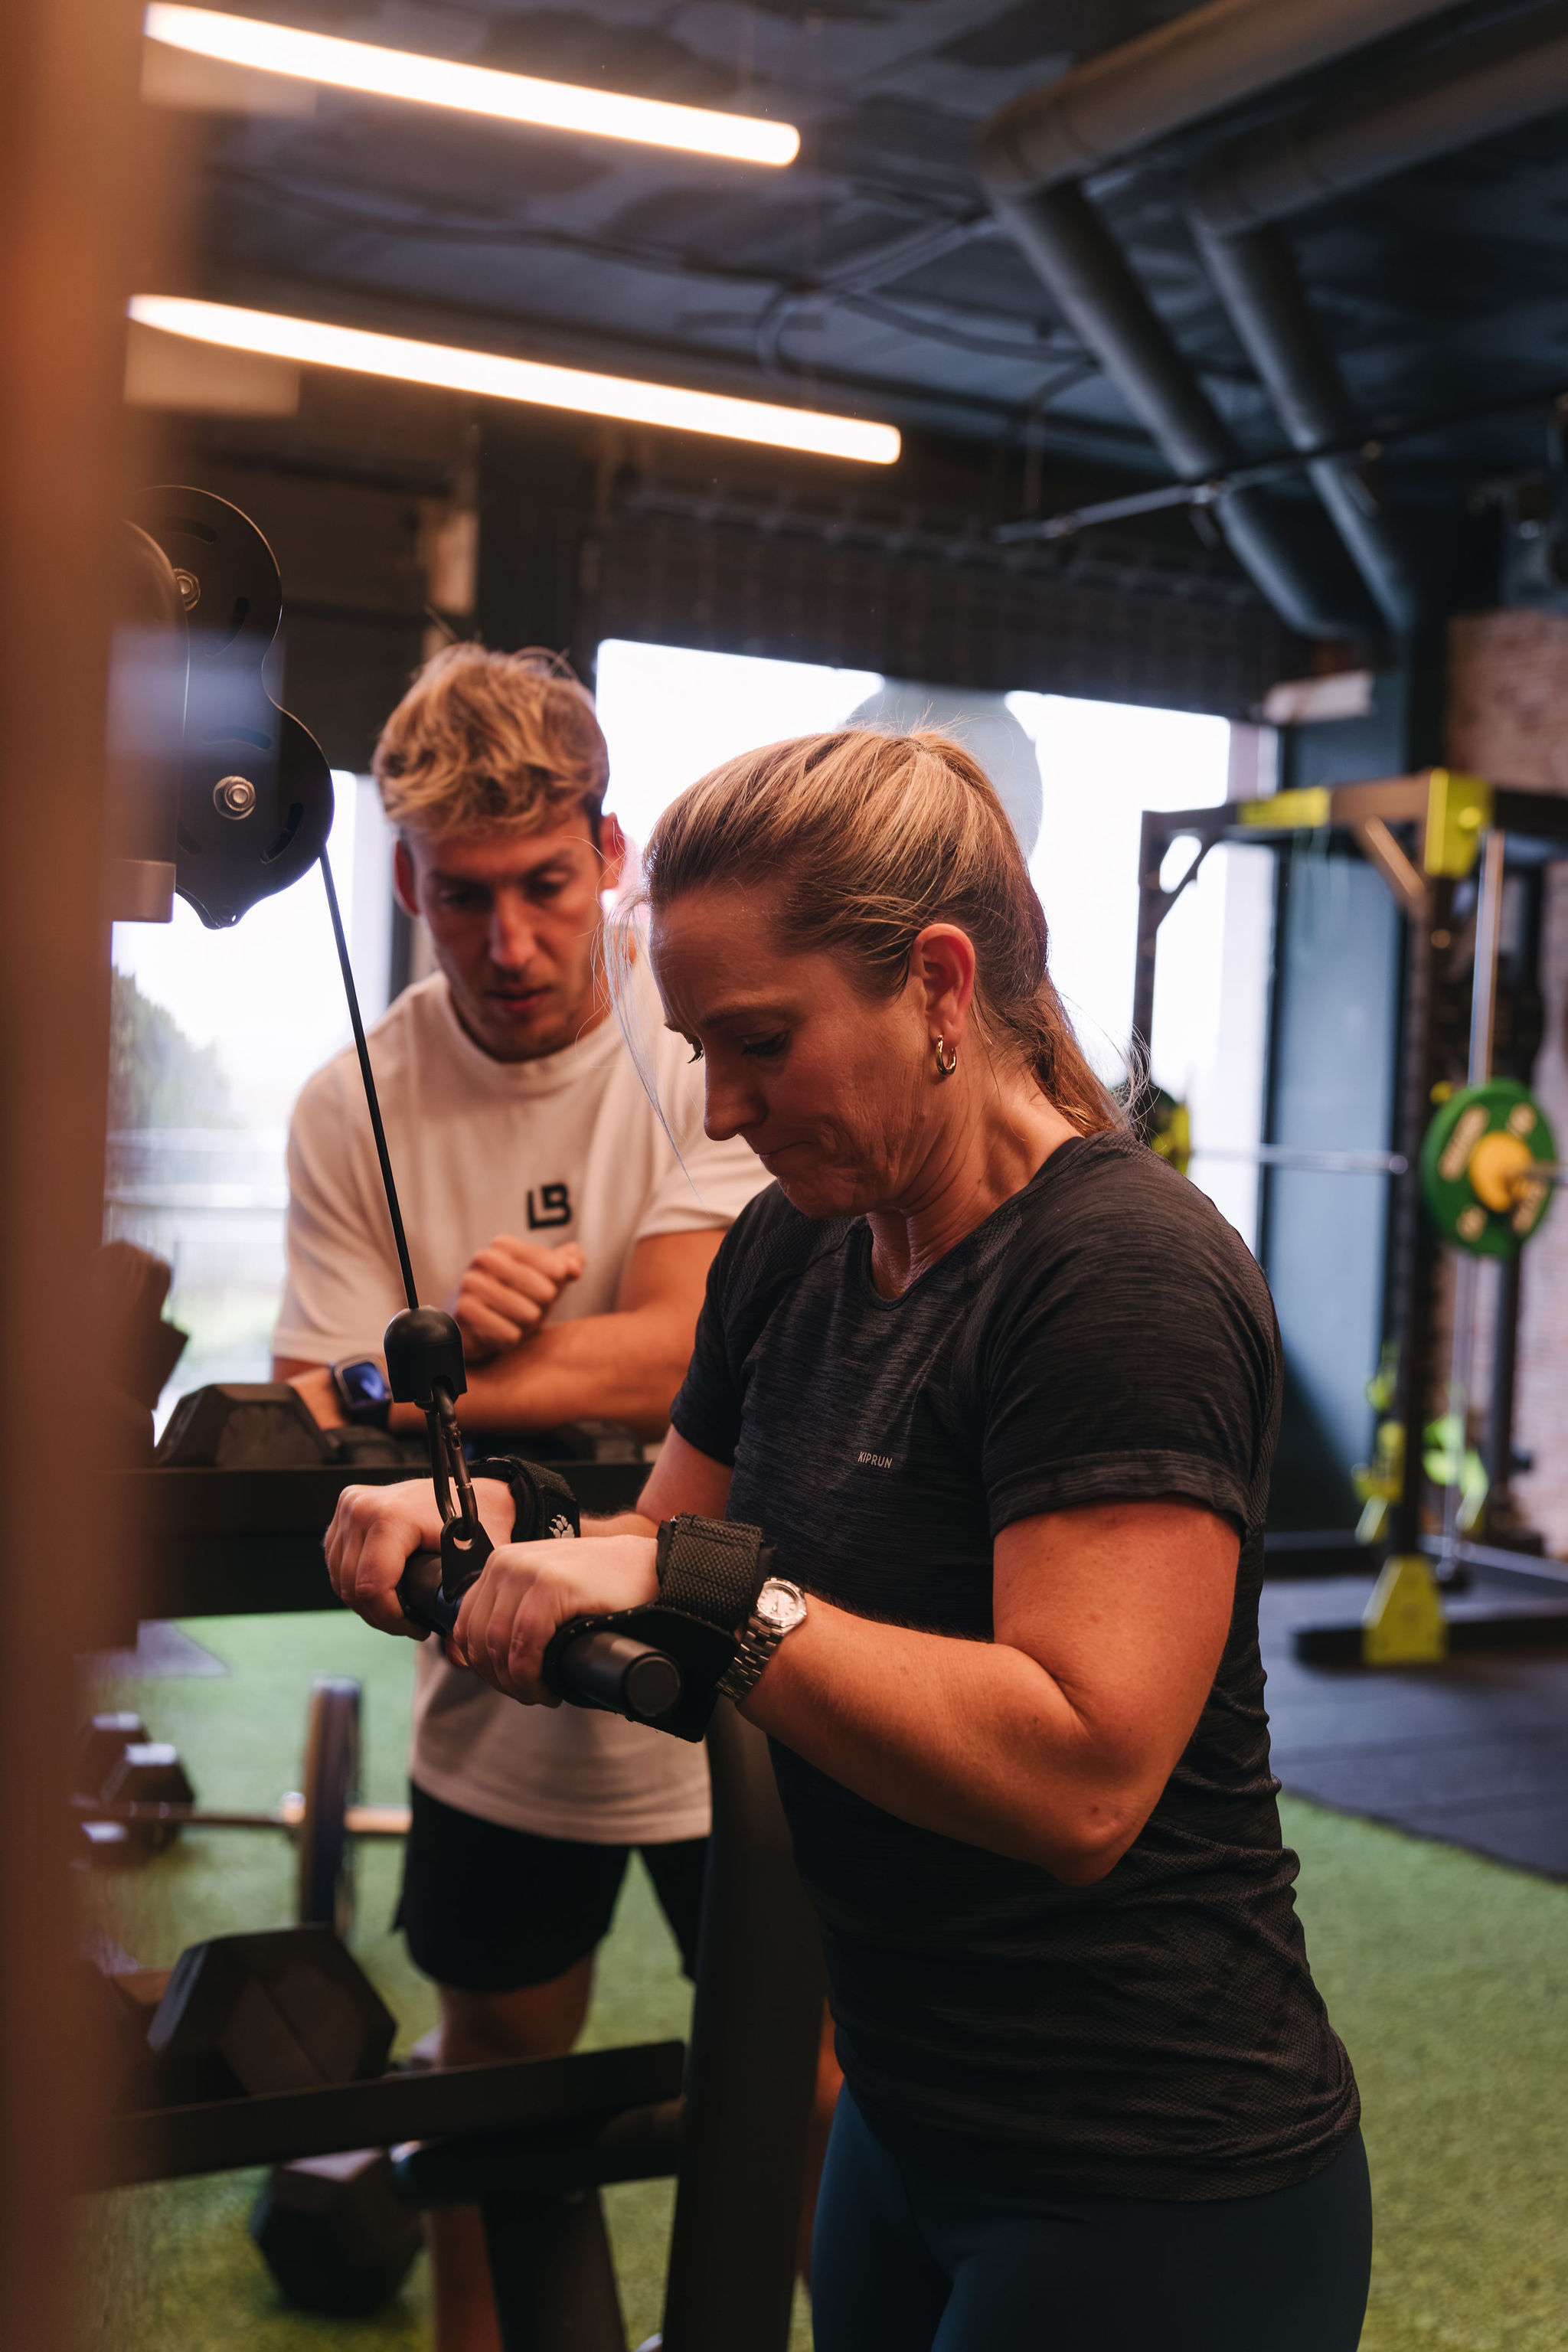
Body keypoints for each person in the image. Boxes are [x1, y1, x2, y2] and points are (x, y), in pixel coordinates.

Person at [325, 726, 1373, 2352]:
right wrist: (490, 1529)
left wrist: (706, 1588)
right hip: (898, 2120)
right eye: (702, 1054)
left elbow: (1079, 1778)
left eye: (760, 1045)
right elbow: (666, 1553)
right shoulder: (792, 1250)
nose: (726, 1109)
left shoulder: (1114, 1279)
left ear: (940, 986)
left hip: (1153, 2172)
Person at [272, 644, 773, 2352]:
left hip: (736, 1664)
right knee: (490, 2096)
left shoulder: (702, 1025)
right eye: (464, 897)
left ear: (610, 852)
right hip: (488, 1677)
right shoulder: (355, 1101)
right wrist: (389, 1377)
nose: (509, 942)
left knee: (819, 2081)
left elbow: (683, 1347)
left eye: (547, 886)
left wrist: (441, 1384)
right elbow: (314, 1393)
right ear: (405, 879)